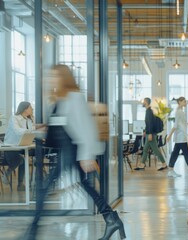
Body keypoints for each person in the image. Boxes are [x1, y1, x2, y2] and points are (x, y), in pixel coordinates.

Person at [23, 64, 126, 240]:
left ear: (63, 78)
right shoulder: (60, 99)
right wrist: (45, 127)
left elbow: (85, 128)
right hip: (66, 151)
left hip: (73, 150)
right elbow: (63, 124)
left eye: (54, 76)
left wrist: (86, 156)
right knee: (86, 186)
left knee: (46, 188)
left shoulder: (74, 97)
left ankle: (32, 233)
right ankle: (112, 220)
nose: (51, 80)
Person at [2, 101, 35, 191]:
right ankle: (9, 174)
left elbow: (32, 131)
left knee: (28, 158)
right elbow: (18, 131)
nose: (32, 109)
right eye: (30, 108)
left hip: (22, 145)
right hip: (11, 146)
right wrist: (31, 131)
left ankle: (22, 184)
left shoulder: (29, 120)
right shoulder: (14, 118)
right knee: (21, 160)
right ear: (25, 109)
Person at [134, 97, 168, 171]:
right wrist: (145, 131)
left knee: (155, 150)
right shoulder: (149, 111)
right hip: (149, 133)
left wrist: (149, 134)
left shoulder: (149, 111)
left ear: (146, 102)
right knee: (145, 150)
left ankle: (164, 164)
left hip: (151, 134)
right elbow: (148, 124)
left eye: (143, 101)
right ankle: (142, 165)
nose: (142, 103)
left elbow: (150, 124)